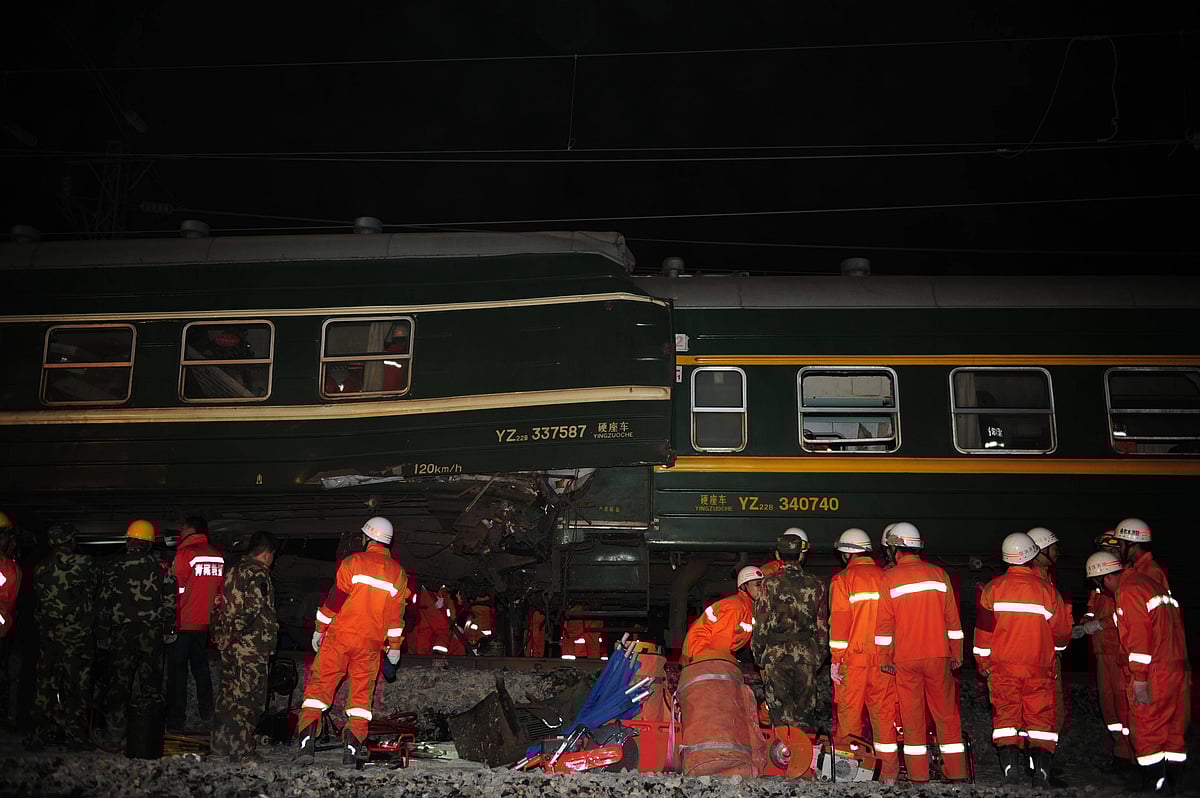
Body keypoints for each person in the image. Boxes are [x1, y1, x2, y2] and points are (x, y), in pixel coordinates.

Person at [296, 516, 409, 766]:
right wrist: (395, 649)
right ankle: (351, 751)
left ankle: (306, 746)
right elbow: (395, 618)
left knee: (318, 692)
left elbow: (334, 601)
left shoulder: (353, 562)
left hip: (339, 640)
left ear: (367, 538)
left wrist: (319, 629)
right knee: (360, 701)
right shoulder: (398, 574)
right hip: (370, 646)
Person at [1085, 550, 1189, 792]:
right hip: (1174, 669)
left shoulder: (1129, 591)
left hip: (1154, 673)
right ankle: (1172, 787)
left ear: (1105, 578)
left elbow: (1139, 638)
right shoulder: (1151, 585)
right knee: (1173, 734)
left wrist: (1140, 678)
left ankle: (1152, 788)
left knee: (1147, 730)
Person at [973, 533, 1071, 787]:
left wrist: (983, 665)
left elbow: (983, 633)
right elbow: (1062, 632)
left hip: (1003, 669)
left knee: (1006, 721)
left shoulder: (993, 589)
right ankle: (1041, 775)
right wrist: (1056, 649)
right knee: (1040, 722)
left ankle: (1010, 773)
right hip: (1039, 669)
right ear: (1031, 555)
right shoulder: (1047, 591)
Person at [874, 521, 968, 783]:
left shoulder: (889, 578)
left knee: (912, 717)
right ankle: (956, 772)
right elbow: (953, 620)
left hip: (906, 658)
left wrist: (885, 658)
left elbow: (884, 625)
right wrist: (956, 652)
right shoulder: (939, 574)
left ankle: (918, 775)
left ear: (895, 548)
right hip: (938, 655)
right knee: (946, 714)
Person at [93, 520, 177, 752]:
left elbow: (103, 604)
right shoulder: (162, 567)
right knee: (151, 686)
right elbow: (169, 602)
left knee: (119, 684)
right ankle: (149, 734)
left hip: (121, 633)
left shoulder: (112, 567)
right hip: (151, 633)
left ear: (129, 540)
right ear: (149, 544)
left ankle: (115, 735)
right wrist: (169, 630)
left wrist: (102, 634)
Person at [827, 527, 899, 783]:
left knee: (849, 719)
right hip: (883, 662)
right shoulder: (888, 578)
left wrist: (836, 660)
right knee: (884, 718)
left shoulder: (842, 580)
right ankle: (889, 774)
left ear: (846, 553)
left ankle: (850, 773)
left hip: (853, 661)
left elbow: (840, 625)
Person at [25, 523, 98, 751]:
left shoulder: (40, 568)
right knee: (76, 688)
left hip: (49, 637)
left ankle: (38, 736)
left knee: (45, 687)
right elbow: (96, 590)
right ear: (70, 540)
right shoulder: (86, 564)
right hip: (77, 638)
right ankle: (76, 738)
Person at [210, 531, 279, 765]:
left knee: (228, 695)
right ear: (267, 554)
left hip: (229, 647)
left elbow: (217, 604)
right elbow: (253, 607)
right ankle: (243, 751)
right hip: (250, 647)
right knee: (249, 698)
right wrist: (236, 633)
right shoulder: (258, 573)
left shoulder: (232, 570)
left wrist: (221, 635)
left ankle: (220, 746)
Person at [752, 528, 829, 730]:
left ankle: (783, 755)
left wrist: (759, 654)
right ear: (801, 555)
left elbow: (761, 623)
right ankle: (804, 755)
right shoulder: (817, 584)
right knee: (805, 713)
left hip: (776, 655)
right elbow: (822, 625)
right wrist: (818, 656)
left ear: (778, 555)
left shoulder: (769, 584)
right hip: (806, 653)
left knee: (779, 713)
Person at [1074, 531, 1135, 776]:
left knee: (1125, 707)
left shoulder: (1128, 579)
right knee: (1109, 708)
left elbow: (1129, 615)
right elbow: (1092, 610)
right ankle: (1121, 755)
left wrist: (1100, 624)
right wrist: (1083, 623)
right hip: (1103, 652)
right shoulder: (1101, 583)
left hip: (1121, 651)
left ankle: (1135, 757)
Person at [166, 515, 225, 730]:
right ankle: (207, 712)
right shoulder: (217, 556)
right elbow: (218, 591)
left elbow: (173, 588)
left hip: (182, 623)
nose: (180, 532)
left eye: (182, 528)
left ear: (190, 529)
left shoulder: (185, 553)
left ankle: (175, 721)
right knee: (201, 669)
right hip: (203, 624)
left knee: (177, 673)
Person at [1025, 525, 1071, 787]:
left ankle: (1037, 767)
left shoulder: (1042, 577)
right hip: (1043, 658)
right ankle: (1041, 770)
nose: (1057, 552)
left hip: (1036, 656)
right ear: (1040, 550)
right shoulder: (1039, 581)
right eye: (1053, 548)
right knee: (1046, 714)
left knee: (1035, 716)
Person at [682, 565, 763, 665]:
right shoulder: (735, 606)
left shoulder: (750, 608)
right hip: (700, 653)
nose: (763, 589)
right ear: (743, 587)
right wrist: (722, 664)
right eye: (758, 585)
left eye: (764, 585)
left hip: (707, 654)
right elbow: (720, 641)